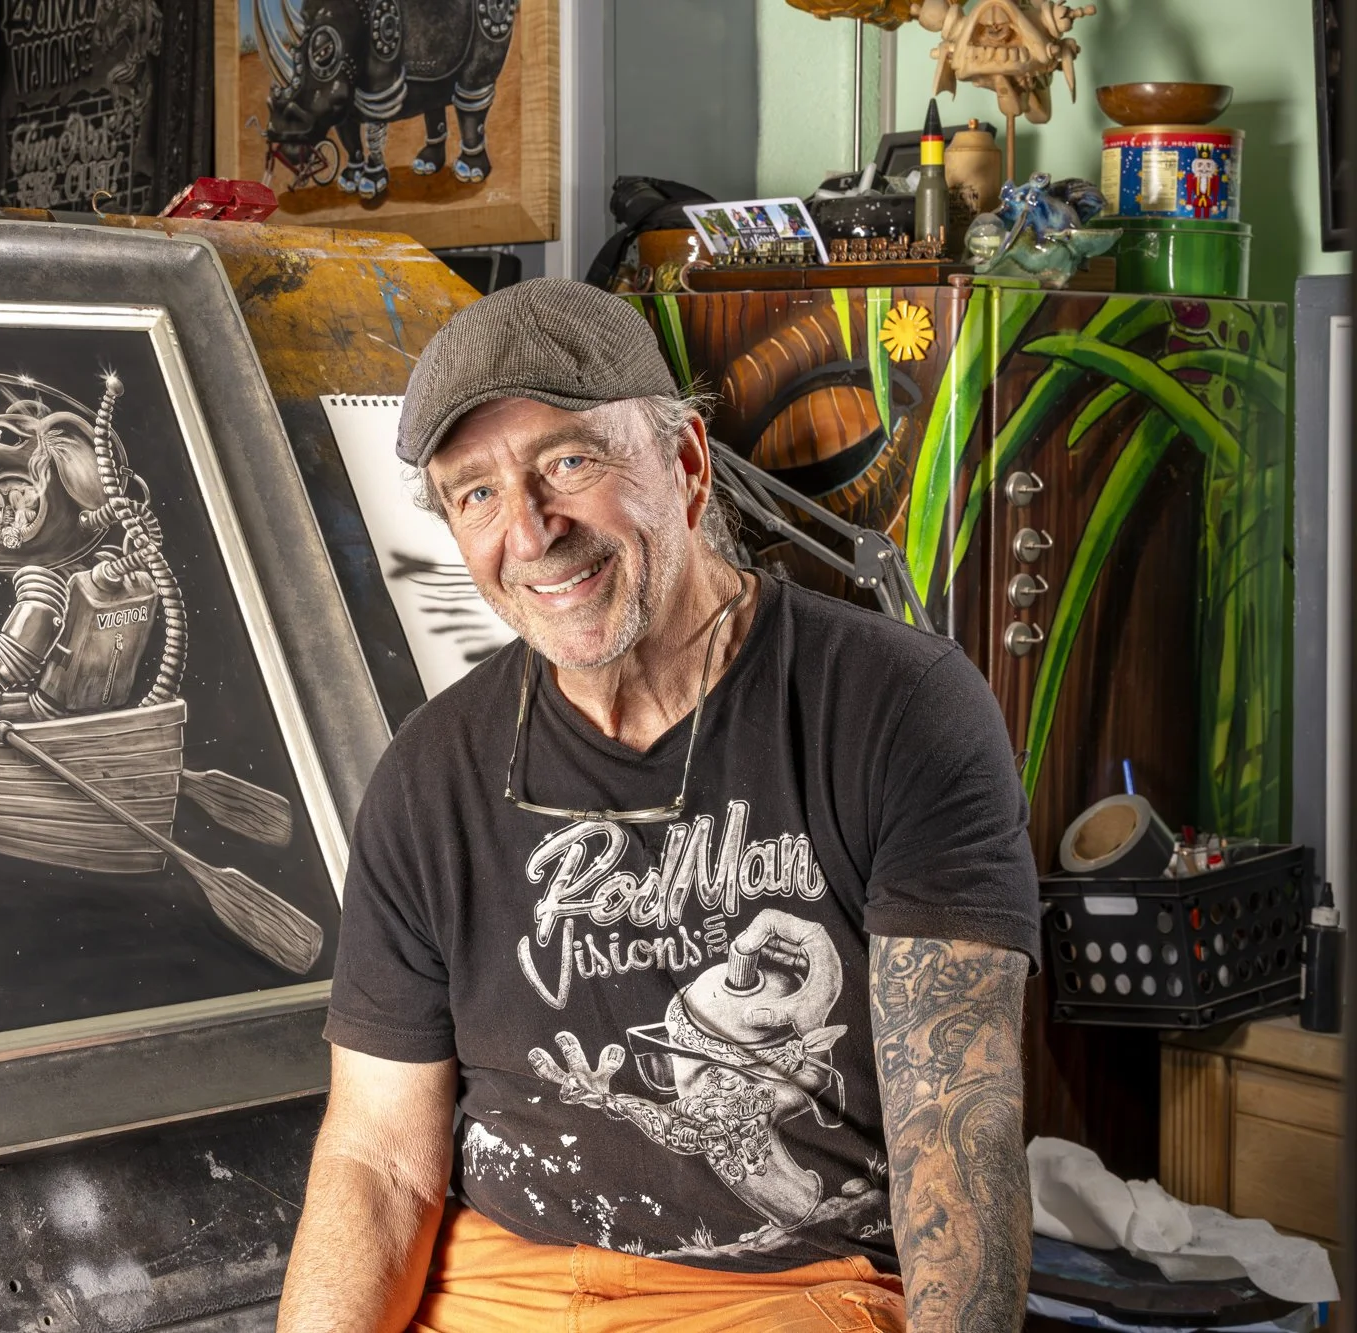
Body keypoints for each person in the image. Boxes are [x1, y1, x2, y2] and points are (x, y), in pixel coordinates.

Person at [276, 280, 1039, 1333]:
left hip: (776, 1297)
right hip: (496, 1288)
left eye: (568, 462)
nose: (531, 530)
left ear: (683, 466)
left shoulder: (893, 708)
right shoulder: (428, 774)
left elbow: (954, 1134)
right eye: (475, 494)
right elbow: (375, 1164)